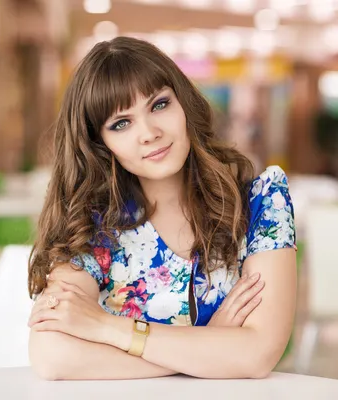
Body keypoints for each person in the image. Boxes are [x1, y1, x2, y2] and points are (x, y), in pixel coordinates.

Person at [27, 37, 296, 381]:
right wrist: (210, 345)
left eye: (159, 105)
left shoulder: (261, 204)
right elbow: (53, 356)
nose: (149, 133)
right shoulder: (92, 224)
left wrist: (110, 328)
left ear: (183, 103)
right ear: (99, 143)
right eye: (121, 123)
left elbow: (259, 354)